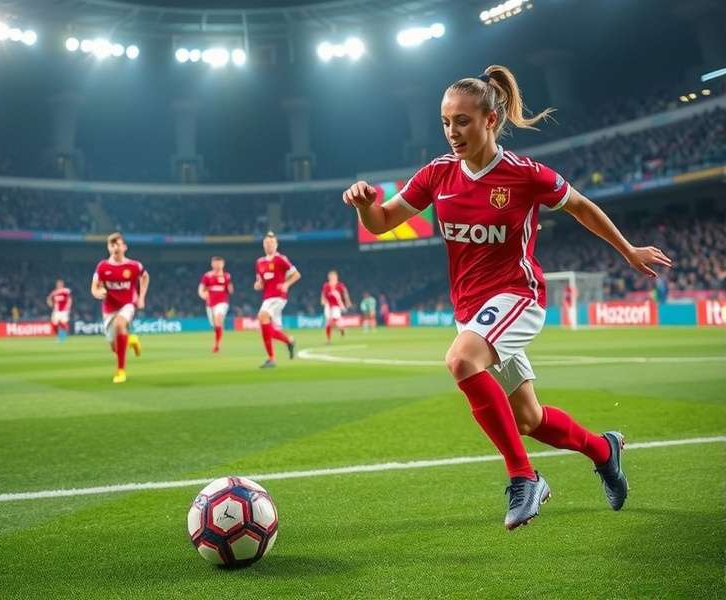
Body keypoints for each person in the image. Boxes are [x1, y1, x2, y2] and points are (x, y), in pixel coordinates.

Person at [342, 65, 672, 530]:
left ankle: (524, 477)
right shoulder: (437, 174)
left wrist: (629, 250)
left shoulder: (524, 174)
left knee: (461, 362)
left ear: (490, 121)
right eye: (445, 122)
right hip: (470, 310)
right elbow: (380, 222)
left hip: (518, 295)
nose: (452, 132)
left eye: (463, 121)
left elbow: (581, 207)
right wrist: (363, 205)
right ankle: (604, 449)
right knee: (530, 420)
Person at [90, 232, 150, 383]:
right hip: (109, 309)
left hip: (127, 304)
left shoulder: (134, 266)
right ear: (108, 248)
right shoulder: (102, 267)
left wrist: (141, 296)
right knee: (115, 348)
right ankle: (131, 340)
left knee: (119, 324)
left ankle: (121, 371)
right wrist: (99, 292)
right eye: (112, 244)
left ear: (125, 247)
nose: (115, 247)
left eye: (118, 244)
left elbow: (145, 277)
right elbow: (94, 288)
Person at [254, 231, 300, 368]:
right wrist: (258, 285)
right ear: (263, 245)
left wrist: (286, 284)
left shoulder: (281, 259)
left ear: (276, 245)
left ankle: (271, 358)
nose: (269, 245)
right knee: (266, 328)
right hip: (267, 297)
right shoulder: (259, 262)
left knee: (262, 317)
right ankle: (289, 341)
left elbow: (297, 274)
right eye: (267, 243)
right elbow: (260, 282)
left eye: (272, 243)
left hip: (279, 296)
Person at [198, 256, 234, 353]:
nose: (217, 265)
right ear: (212, 264)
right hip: (210, 304)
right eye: (215, 263)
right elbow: (201, 288)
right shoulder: (207, 276)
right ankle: (218, 336)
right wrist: (202, 294)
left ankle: (217, 345)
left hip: (222, 303)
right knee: (215, 325)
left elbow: (230, 290)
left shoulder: (227, 276)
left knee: (218, 319)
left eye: (219, 263)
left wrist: (230, 288)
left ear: (223, 264)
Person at [321, 270, 351, 343]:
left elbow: (345, 293)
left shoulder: (340, 285)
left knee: (332, 321)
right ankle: (328, 339)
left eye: (333, 277)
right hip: (328, 305)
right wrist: (322, 300)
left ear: (336, 277)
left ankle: (340, 329)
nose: (332, 278)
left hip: (336, 306)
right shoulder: (326, 285)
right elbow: (323, 294)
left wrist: (347, 301)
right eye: (331, 277)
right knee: (329, 323)